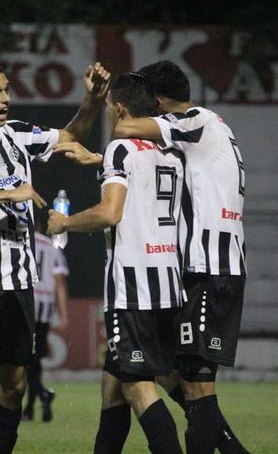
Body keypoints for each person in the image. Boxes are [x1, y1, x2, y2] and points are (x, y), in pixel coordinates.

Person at [0, 59, 110, 454]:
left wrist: (92, 100)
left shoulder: (18, 137)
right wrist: (8, 194)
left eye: (7, 90)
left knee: (15, 384)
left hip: (21, 280)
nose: (6, 98)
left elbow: (70, 136)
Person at [114, 60, 250, 454]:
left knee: (196, 382)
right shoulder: (209, 129)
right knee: (177, 374)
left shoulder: (195, 120)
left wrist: (123, 112)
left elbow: (126, 128)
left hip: (211, 268)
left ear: (157, 101)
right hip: (211, 267)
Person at [48, 72, 185, 454]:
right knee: (113, 390)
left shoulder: (119, 149)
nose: (108, 113)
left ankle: (211, 432)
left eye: (109, 107)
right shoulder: (169, 151)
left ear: (119, 109)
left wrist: (65, 222)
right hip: (168, 284)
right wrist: (97, 160)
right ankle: (213, 428)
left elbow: (110, 213)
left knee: (138, 389)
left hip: (134, 291)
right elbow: (141, 189)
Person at [22, 219, 70, 423]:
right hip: (44, 308)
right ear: (40, 226)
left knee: (23, 359)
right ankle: (31, 407)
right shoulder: (52, 246)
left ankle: (41, 395)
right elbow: (59, 281)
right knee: (35, 360)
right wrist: (64, 313)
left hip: (25, 304)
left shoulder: (20, 242)